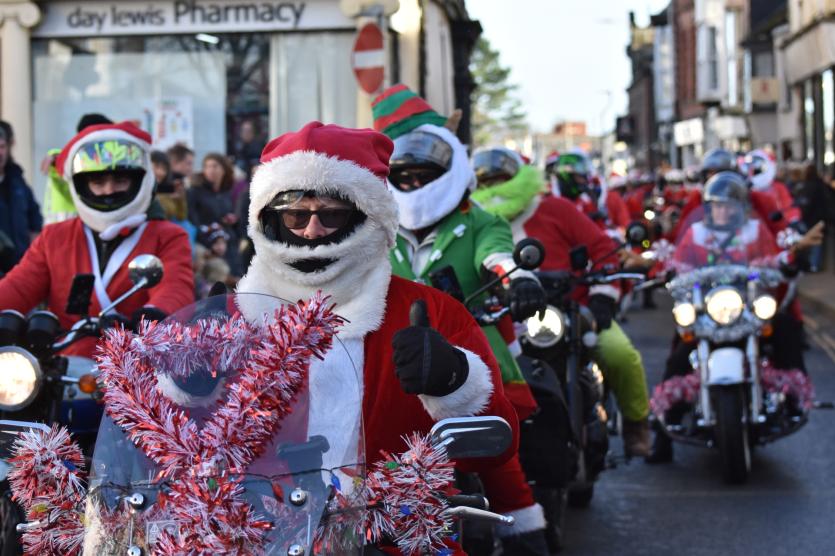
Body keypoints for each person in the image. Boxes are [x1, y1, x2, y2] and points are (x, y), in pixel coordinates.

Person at [236, 121, 523, 554]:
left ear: (367, 218)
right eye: (295, 215)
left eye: (332, 214)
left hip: (398, 538)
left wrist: (454, 379)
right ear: (270, 221)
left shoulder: (431, 312)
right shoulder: (236, 317)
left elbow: (494, 446)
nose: (312, 231)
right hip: (258, 537)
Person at [370, 85, 548, 552]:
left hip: (470, 344)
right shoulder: (377, 229)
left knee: (496, 450)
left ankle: (525, 532)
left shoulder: (481, 221)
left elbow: (498, 256)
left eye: (423, 176)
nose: (413, 185)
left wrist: (517, 279)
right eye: (403, 177)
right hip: (395, 357)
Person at [471, 147, 653, 457]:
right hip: (501, 319)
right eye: (485, 183)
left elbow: (602, 248)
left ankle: (637, 426)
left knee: (621, 354)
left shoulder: (555, 208)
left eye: (501, 180)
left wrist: (603, 297)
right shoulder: (473, 221)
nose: (494, 189)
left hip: (568, 310)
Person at [647, 171, 824, 463]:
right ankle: (662, 431)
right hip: (708, 313)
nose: (723, 211)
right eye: (717, 205)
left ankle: (796, 400)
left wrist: (789, 262)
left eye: (729, 205)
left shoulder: (755, 231)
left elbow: (773, 259)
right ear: (708, 208)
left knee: (787, 330)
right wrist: (665, 272)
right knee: (678, 355)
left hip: (747, 309)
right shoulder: (695, 234)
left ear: (741, 207)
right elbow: (679, 263)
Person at [0, 122, 195, 358]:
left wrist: (154, 316)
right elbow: (18, 287)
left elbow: (175, 287)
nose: (109, 190)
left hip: (138, 362)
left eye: (120, 181)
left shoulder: (167, 236)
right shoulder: (54, 237)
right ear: (82, 185)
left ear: (139, 180)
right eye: (98, 183)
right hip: (65, 366)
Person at [42, 113, 114, 224]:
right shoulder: (76, 158)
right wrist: (55, 158)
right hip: (65, 222)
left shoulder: (92, 159)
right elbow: (60, 162)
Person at [187, 153, 242, 277]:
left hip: (230, 245)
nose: (211, 170)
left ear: (224, 169)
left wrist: (232, 220)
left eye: (215, 166)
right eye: (207, 166)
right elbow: (193, 221)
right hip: (207, 245)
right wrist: (212, 241)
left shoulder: (226, 192)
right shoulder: (195, 191)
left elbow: (231, 217)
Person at [0, 123, 42, 270]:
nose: (0, 153)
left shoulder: (17, 181)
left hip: (21, 268)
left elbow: (35, 220)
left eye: (2, 146)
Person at [742, 149, 802, 225]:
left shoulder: (779, 187)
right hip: (758, 227)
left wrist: (793, 220)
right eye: (751, 169)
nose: (753, 171)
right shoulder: (747, 190)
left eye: (758, 168)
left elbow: (789, 207)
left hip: (777, 226)